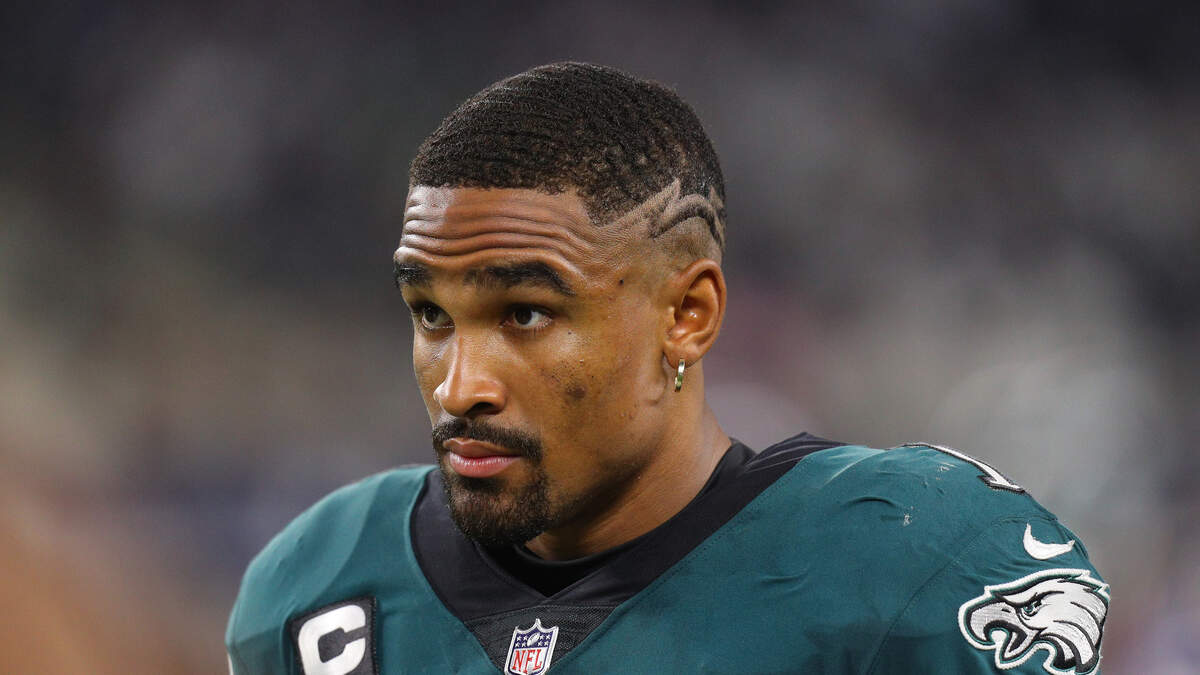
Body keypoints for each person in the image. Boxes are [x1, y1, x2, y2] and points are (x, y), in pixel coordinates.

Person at [226, 62, 1108, 674]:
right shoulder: (322, 582)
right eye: (432, 315)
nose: (460, 387)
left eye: (525, 314)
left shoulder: (909, 559)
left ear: (687, 316)